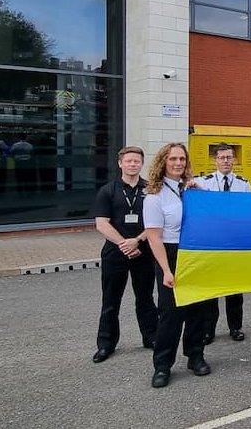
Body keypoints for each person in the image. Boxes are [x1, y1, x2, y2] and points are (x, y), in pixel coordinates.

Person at [144, 142, 213, 388]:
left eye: (182, 159)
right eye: (173, 159)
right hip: (171, 254)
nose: (178, 163)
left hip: (196, 252)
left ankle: (195, 357)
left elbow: (214, 212)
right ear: (163, 162)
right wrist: (165, 270)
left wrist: (198, 189)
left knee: (198, 310)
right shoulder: (154, 195)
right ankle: (162, 366)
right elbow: (153, 237)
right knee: (171, 315)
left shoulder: (194, 189)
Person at [91, 146, 157, 363]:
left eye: (136, 161)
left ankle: (151, 337)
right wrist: (124, 243)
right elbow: (101, 223)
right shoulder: (108, 190)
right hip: (115, 253)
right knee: (111, 301)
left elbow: (157, 224)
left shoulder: (151, 190)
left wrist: (137, 240)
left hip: (144, 252)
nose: (132, 164)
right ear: (120, 163)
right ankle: (106, 344)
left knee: (145, 298)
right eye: (128, 161)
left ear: (141, 164)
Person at [197, 143, 251, 344]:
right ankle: (208, 329)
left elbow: (249, 213)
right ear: (215, 160)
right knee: (211, 292)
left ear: (234, 159)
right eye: (222, 158)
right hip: (212, 245)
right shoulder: (203, 183)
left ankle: (235, 327)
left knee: (234, 291)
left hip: (235, 245)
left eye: (229, 157)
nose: (226, 161)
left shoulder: (243, 184)